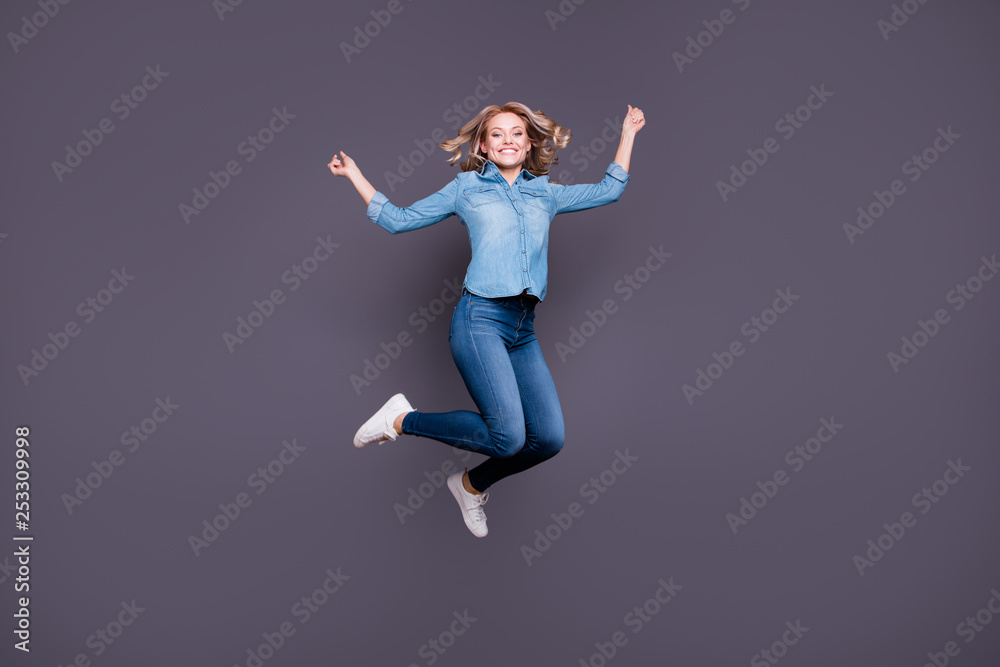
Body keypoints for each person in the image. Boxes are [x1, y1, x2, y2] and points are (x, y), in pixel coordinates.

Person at [328, 101, 645, 537]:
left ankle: (471, 484)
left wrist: (628, 133)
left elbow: (609, 190)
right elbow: (398, 220)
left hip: (522, 328)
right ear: (483, 144)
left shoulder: (546, 193)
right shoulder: (465, 188)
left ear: (529, 141)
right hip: (480, 320)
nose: (508, 140)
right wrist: (355, 176)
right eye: (497, 134)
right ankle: (401, 419)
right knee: (508, 438)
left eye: (516, 133)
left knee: (547, 439)